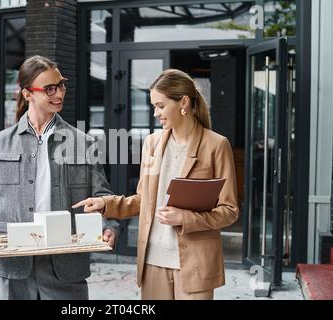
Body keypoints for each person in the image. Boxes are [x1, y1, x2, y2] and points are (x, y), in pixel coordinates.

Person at [0, 55, 118, 300]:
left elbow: (102, 196)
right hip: (12, 268)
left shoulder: (83, 143)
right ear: (27, 94)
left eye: (61, 85)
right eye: (49, 89)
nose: (59, 93)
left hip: (66, 267)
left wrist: (109, 225)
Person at [73, 69, 239, 300]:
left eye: (160, 106)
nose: (155, 113)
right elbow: (144, 200)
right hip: (153, 261)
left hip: (195, 264)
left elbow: (229, 211)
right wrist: (105, 204)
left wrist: (185, 218)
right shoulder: (152, 143)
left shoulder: (216, 145)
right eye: (154, 106)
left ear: (183, 103)